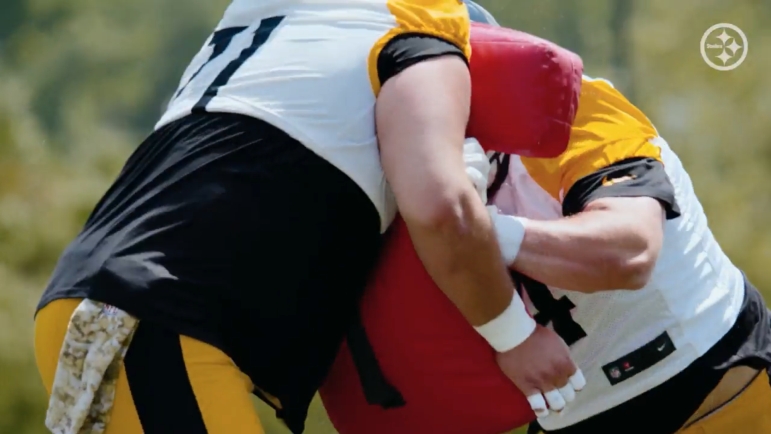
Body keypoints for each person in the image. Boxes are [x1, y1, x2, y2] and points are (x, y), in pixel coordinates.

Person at [32, 1, 578, 433]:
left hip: (115, 308)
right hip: (157, 321)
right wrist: (516, 337)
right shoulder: (416, 34)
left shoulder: (270, 33)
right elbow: (440, 207)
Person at [319, 4, 771, 434]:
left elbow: (629, 251)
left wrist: (473, 230)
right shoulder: (385, 177)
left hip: (716, 383)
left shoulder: (575, 114)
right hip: (572, 417)